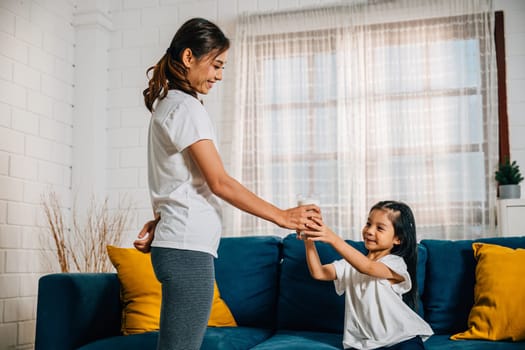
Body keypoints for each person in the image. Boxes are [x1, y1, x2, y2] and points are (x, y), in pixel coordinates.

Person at [133, 18, 320, 350]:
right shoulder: (185, 106)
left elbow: (176, 180)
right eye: (216, 65)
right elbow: (219, 182)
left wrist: (162, 222)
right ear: (189, 57)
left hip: (180, 245)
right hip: (186, 249)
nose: (219, 75)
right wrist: (283, 216)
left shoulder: (170, 104)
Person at [299, 200, 433, 350]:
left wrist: (332, 238)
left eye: (380, 228)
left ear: (398, 239)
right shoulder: (350, 264)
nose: (369, 231)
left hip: (401, 339)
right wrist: (308, 241)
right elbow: (319, 273)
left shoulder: (395, 263)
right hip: (364, 344)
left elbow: (367, 267)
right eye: (368, 224)